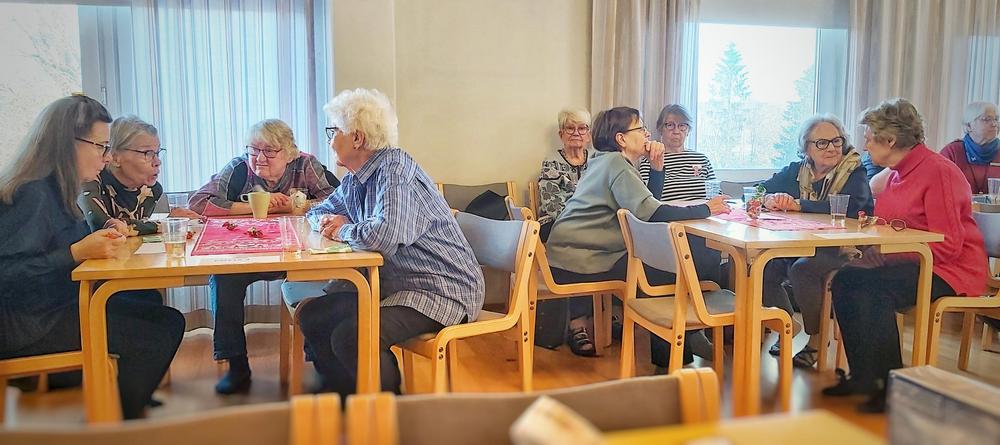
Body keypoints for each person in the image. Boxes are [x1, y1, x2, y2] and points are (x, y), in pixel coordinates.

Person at [0, 95, 184, 419]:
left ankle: (126, 400)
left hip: (54, 307)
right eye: (101, 146)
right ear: (67, 143)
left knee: (164, 316)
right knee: (155, 335)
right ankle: (121, 420)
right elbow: (8, 275)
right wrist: (76, 252)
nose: (107, 156)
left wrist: (96, 240)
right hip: (30, 325)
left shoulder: (59, 189)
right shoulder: (33, 193)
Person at [300, 88, 484, 398]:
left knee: (353, 336)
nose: (330, 140)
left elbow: (385, 236)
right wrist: (330, 223)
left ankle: (389, 412)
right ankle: (346, 399)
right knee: (314, 317)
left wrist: (343, 230)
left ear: (357, 138)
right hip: (398, 286)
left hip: (441, 289)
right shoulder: (356, 178)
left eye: (334, 131)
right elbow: (318, 211)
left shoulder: (394, 170)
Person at [824, 98, 988, 413]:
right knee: (846, 279)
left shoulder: (937, 171)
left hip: (951, 270)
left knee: (873, 288)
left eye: (870, 137)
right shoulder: (897, 173)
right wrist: (875, 250)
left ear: (890, 140)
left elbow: (948, 245)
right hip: (916, 260)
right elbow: (894, 227)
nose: (865, 144)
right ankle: (865, 378)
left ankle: (893, 388)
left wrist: (888, 255)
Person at [544, 106, 730, 360]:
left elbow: (646, 204)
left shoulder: (604, 160)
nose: (647, 134)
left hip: (567, 255)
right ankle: (684, 339)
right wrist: (707, 208)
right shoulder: (616, 164)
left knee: (673, 260)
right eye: (641, 129)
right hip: (582, 260)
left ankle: (684, 339)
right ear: (621, 138)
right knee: (675, 264)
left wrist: (656, 168)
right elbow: (652, 213)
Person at [189, 119, 340, 394]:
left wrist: (297, 204)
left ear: (289, 153)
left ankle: (324, 363)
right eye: (254, 150)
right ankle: (237, 366)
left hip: (299, 253)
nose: (259, 158)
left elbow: (337, 200)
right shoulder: (239, 168)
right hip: (248, 254)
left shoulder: (305, 164)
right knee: (223, 278)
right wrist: (258, 205)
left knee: (327, 281)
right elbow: (199, 203)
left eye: (269, 151)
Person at [758, 115, 874, 368]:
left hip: (843, 246)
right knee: (762, 266)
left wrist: (800, 204)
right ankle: (787, 325)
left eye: (836, 141)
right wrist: (770, 199)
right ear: (806, 148)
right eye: (822, 143)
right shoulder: (797, 170)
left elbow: (854, 207)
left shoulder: (855, 171)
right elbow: (761, 188)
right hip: (802, 242)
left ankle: (817, 340)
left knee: (803, 269)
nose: (831, 148)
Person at [78, 115, 200, 236]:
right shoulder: (90, 179)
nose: (158, 162)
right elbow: (105, 228)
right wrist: (166, 224)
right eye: (147, 153)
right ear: (115, 158)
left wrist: (163, 224)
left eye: (157, 153)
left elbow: (132, 230)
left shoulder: (151, 190)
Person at [638, 104, 716, 201]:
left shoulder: (702, 159)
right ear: (660, 129)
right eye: (670, 125)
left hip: (704, 210)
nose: (676, 131)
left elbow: (715, 194)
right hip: (669, 210)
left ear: (688, 130)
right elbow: (646, 200)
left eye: (682, 126)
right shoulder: (651, 160)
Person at [537, 108, 592, 242]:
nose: (576, 133)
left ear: (588, 135)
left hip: (591, 220)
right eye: (570, 128)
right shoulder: (551, 163)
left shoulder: (597, 160)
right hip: (556, 221)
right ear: (561, 134)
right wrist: (581, 220)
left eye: (582, 128)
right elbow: (552, 204)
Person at [939, 101, 1000, 194]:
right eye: (987, 119)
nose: (994, 124)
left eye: (996, 119)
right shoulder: (952, 152)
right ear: (968, 126)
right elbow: (939, 187)